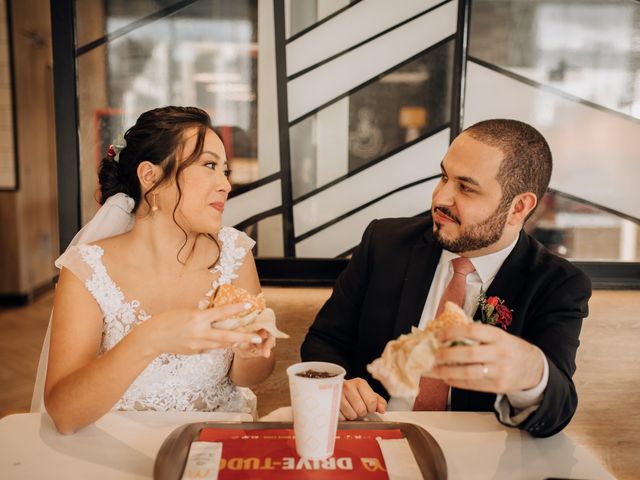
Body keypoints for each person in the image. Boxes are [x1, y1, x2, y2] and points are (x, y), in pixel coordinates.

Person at [301, 119, 591, 438]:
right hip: (373, 438)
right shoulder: (384, 243)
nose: (440, 198)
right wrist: (336, 383)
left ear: (518, 207)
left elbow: (556, 411)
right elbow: (325, 340)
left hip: (480, 455)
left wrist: (530, 372)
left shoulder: (557, 284)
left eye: (465, 188)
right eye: (443, 177)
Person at [44, 106, 275, 434]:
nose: (226, 184)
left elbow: (248, 376)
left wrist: (252, 353)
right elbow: (64, 415)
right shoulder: (88, 271)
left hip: (212, 445)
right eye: (209, 165)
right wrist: (149, 339)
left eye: (225, 170)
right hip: (119, 450)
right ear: (150, 177)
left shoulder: (235, 254)